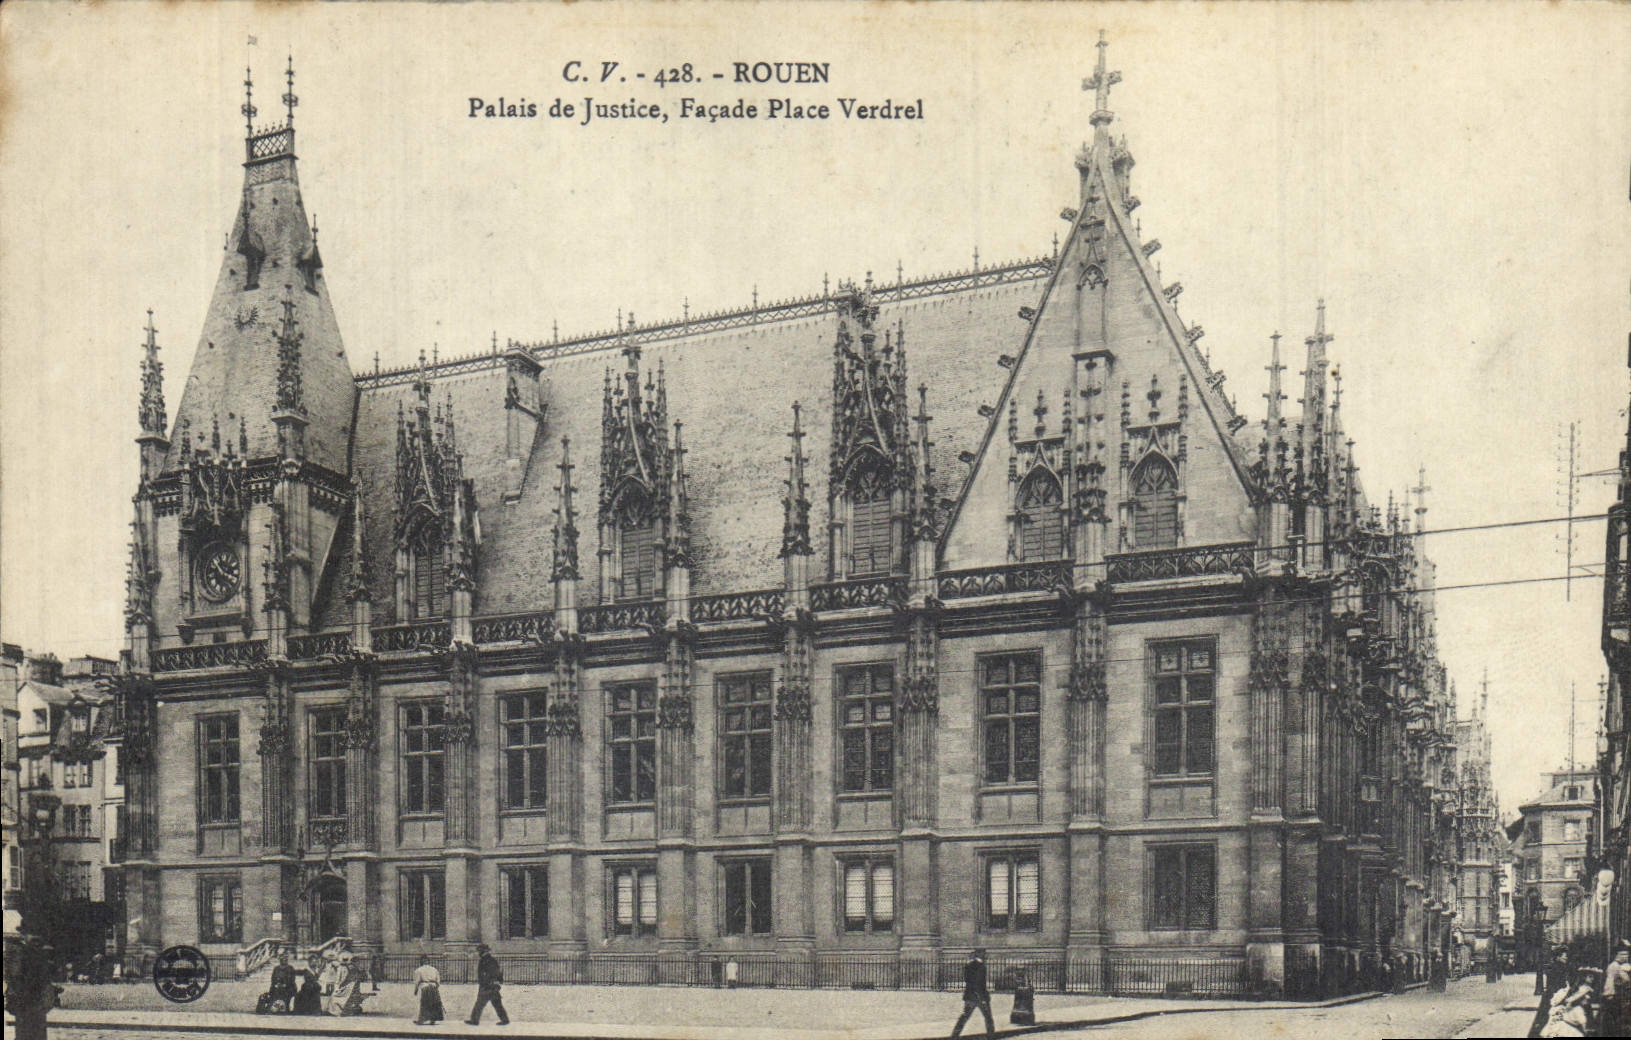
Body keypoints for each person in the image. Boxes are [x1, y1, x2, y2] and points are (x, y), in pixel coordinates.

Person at [950, 947, 995, 1040]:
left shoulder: (969, 965)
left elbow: (968, 980)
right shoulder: (981, 966)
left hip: (970, 996)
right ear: (980, 954)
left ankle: (954, 1035)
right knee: (988, 1018)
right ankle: (991, 1037)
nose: (985, 955)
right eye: (984, 953)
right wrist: (982, 998)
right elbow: (978, 983)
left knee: (964, 1016)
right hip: (979, 997)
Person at [1529, 946, 1572, 1038]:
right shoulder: (1557, 968)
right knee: (1550, 1020)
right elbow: (1556, 985)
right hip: (1554, 997)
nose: (1566, 958)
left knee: (1544, 1020)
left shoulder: (1557, 967)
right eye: (1564, 956)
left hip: (1552, 996)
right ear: (1558, 957)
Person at [466, 944, 508, 1026]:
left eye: (479, 950)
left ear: (483, 951)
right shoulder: (488, 959)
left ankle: (474, 1020)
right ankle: (505, 1020)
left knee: (480, 1003)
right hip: (490, 986)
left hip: (488, 986)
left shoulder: (488, 960)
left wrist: (487, 983)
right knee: (496, 1003)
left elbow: (493, 972)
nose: (478, 952)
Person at [1604, 942, 1630, 1038]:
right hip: (1616, 996)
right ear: (1616, 955)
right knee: (1616, 1020)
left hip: (1624, 995)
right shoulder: (1614, 966)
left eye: (1626, 954)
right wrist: (1609, 995)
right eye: (1622, 954)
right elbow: (1609, 981)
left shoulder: (1625, 966)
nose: (1625, 956)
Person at [413, 955, 444, 1025]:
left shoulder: (419, 970)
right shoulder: (434, 969)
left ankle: (421, 1020)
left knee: (424, 1003)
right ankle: (433, 1019)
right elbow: (438, 981)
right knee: (434, 1003)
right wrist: (436, 987)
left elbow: (417, 981)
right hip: (433, 987)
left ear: (421, 961)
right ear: (428, 961)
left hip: (425, 986)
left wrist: (416, 990)